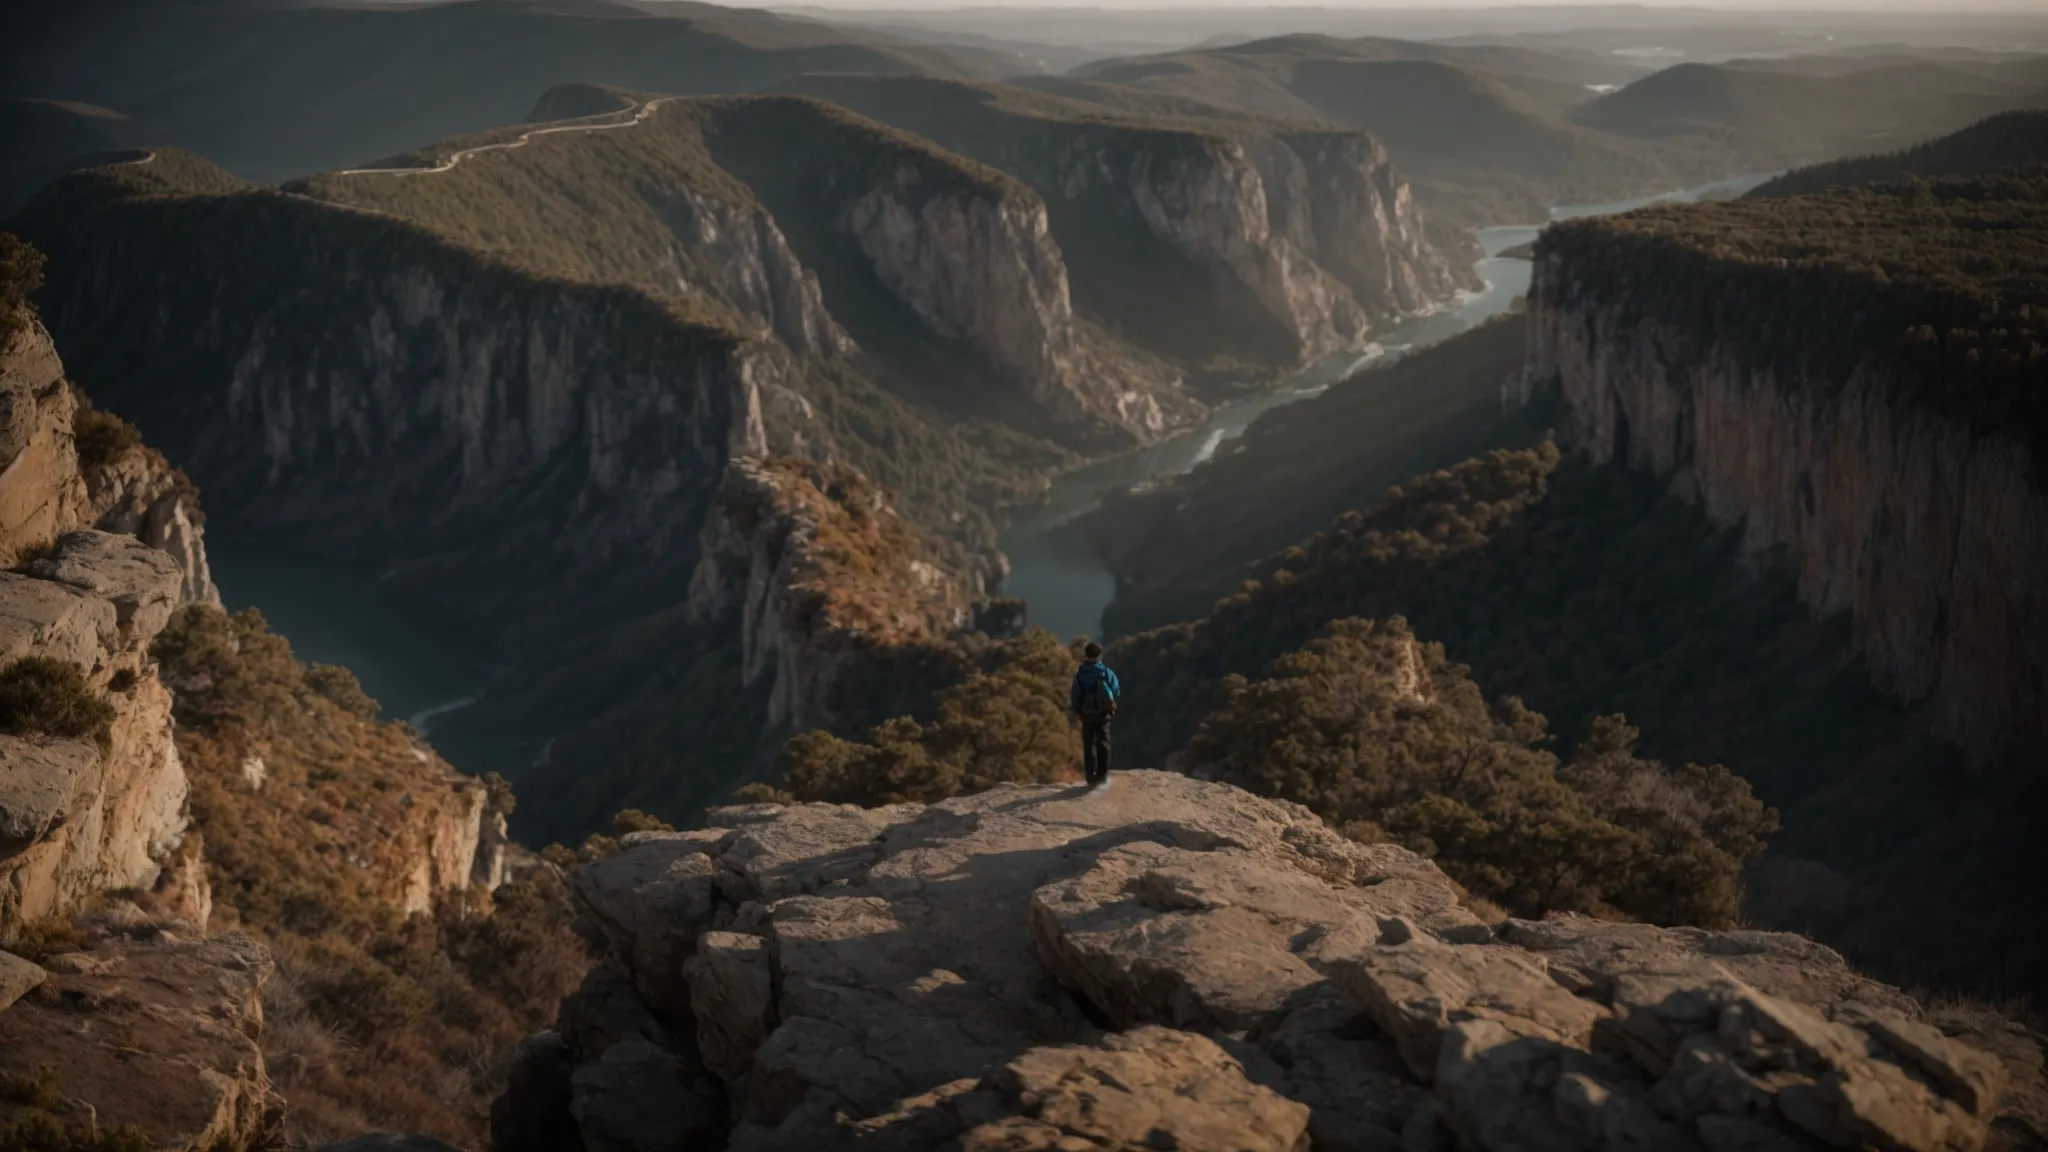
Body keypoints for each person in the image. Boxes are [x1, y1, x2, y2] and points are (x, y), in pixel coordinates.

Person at [1068, 641, 1121, 787]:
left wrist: (1078, 711)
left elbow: (1075, 694)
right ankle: (1102, 775)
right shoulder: (1106, 672)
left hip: (1086, 714)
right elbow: (1116, 690)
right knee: (1103, 742)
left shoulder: (1080, 674)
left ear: (1086, 655)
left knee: (1088, 744)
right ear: (1099, 655)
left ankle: (1090, 777)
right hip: (1103, 714)